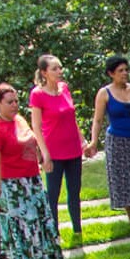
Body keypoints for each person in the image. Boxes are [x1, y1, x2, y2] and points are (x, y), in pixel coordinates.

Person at [0, 84, 63, 259]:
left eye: (16, 101)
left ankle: (47, 256)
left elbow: (30, 140)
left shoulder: (19, 119)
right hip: (13, 183)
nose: (14, 105)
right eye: (9, 102)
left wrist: (41, 156)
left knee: (41, 218)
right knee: (24, 222)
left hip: (32, 179)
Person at [85, 56, 130, 225]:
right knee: (123, 177)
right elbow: (98, 120)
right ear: (111, 73)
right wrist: (94, 141)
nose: (125, 73)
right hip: (117, 140)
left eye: (126, 70)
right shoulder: (104, 93)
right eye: (120, 71)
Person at [29, 54, 87, 238]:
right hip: (54, 150)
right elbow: (36, 127)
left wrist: (82, 139)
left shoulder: (65, 88)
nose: (59, 71)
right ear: (44, 72)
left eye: (60, 67)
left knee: (74, 190)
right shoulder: (37, 94)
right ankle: (54, 233)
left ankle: (77, 229)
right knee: (53, 194)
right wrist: (44, 154)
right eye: (54, 68)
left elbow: (72, 118)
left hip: (72, 148)